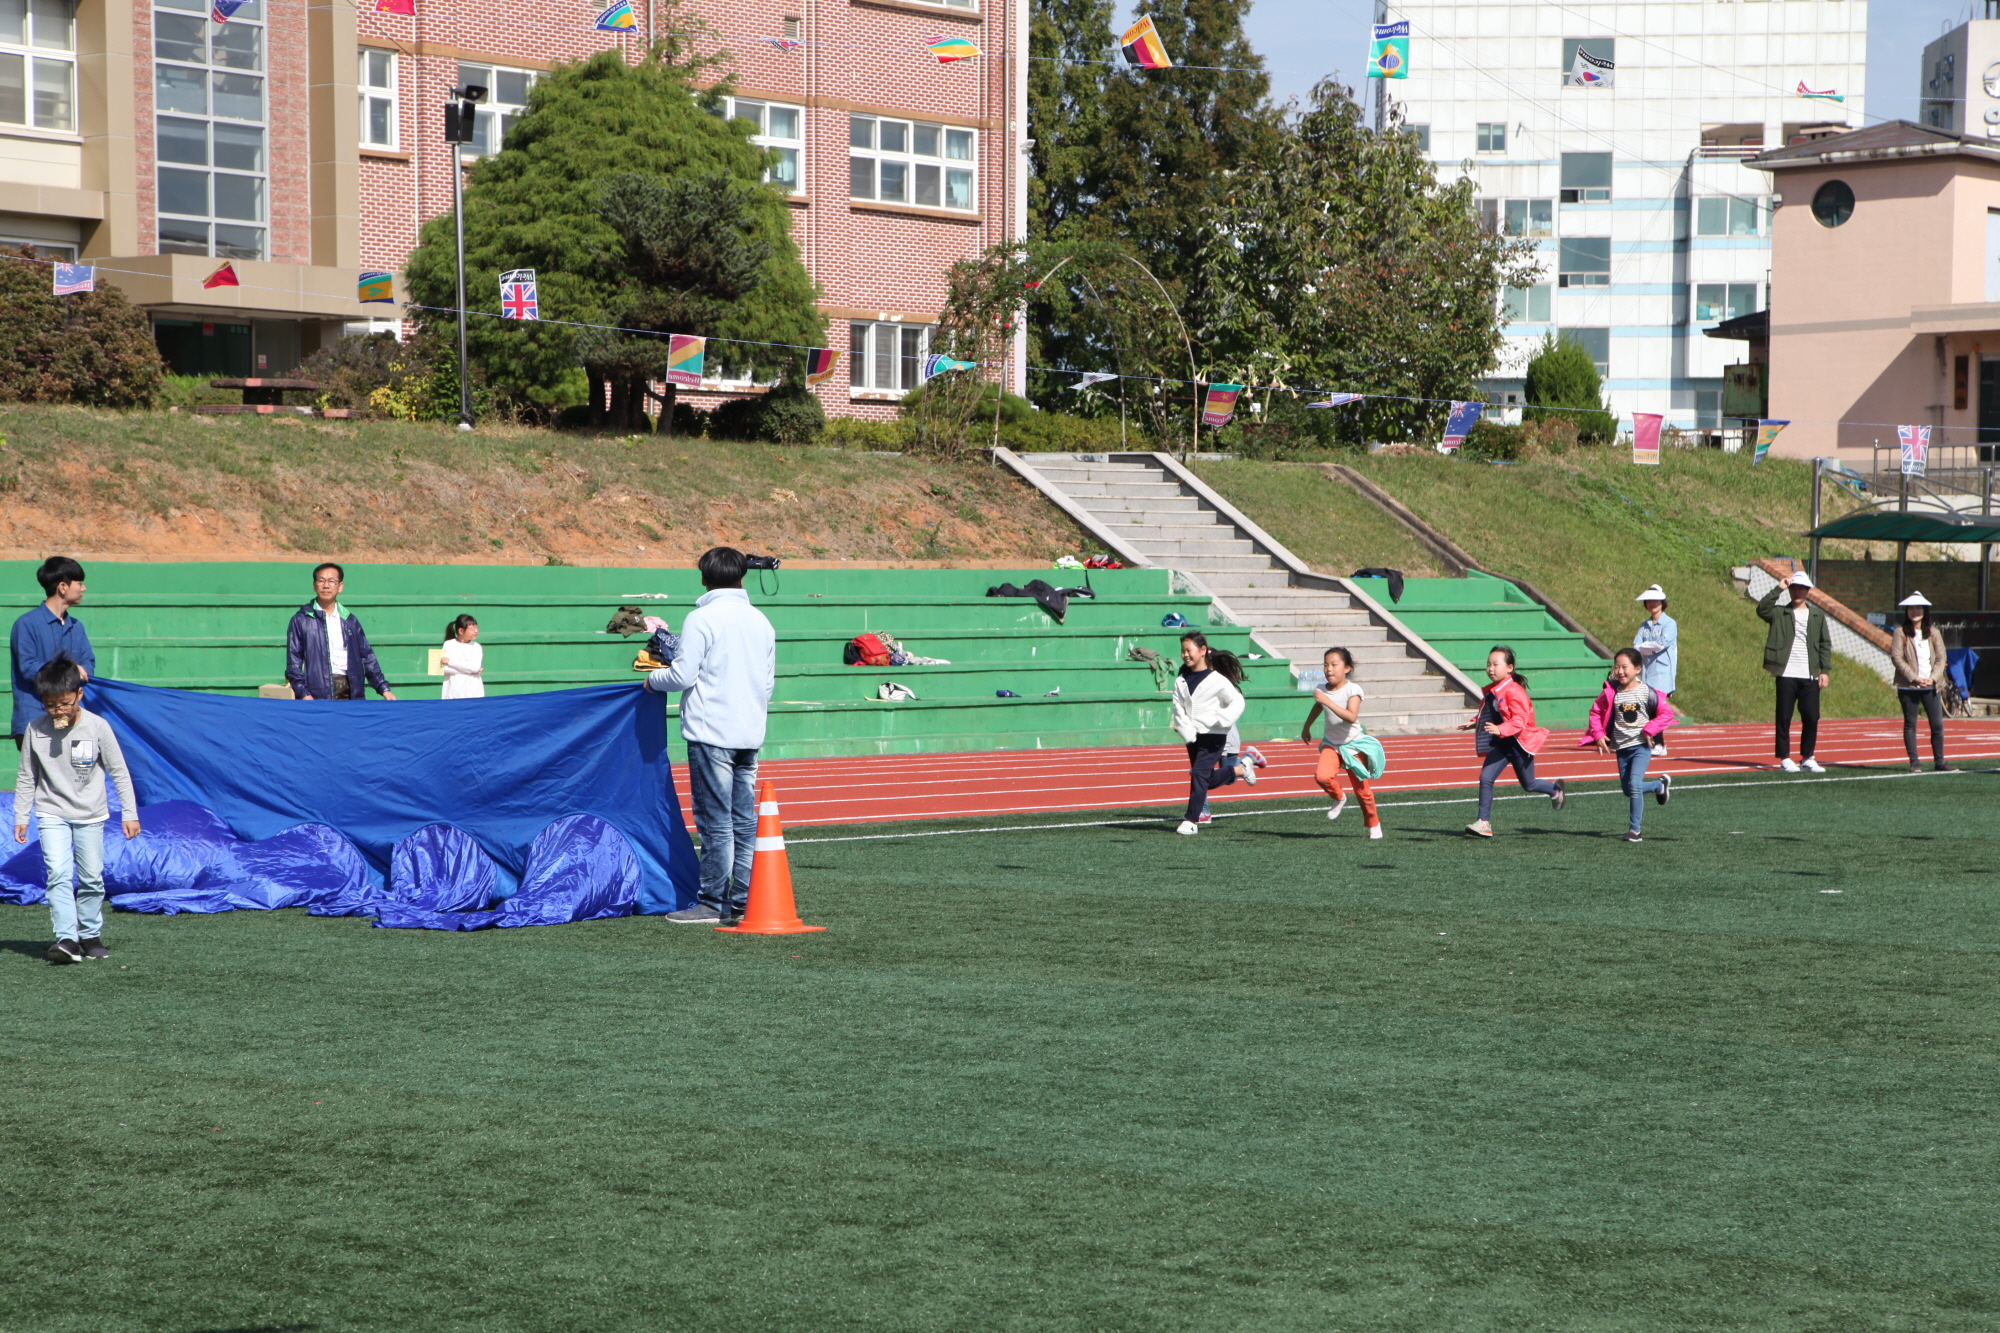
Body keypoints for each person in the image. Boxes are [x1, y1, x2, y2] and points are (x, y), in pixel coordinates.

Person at [645, 547, 777, 923]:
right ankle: (744, 898)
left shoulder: (701, 618)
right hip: (749, 731)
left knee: (715, 820)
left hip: (711, 731)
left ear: (704, 579)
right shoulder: (761, 621)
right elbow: (767, 684)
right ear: (742, 576)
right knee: (744, 821)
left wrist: (652, 680)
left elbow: (682, 675)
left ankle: (712, 902)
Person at [13, 657, 139, 965]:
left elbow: (119, 771)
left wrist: (130, 812)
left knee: (91, 877)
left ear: (79, 695)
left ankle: (90, 936)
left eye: (64, 704)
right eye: (49, 705)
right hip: (51, 811)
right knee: (57, 873)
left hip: (90, 814)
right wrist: (21, 815)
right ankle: (66, 938)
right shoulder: (35, 729)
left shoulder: (97, 727)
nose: (58, 711)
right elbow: (27, 775)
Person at [1459, 644, 1565, 838]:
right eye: (1488, 664)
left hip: (1520, 745)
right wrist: (1474, 722)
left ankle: (1555, 790)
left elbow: (1519, 721)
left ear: (1509, 667)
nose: (1490, 668)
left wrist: (1501, 729)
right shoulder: (1492, 690)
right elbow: (1491, 713)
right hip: (1501, 744)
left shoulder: (1515, 691)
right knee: (1485, 778)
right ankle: (1483, 823)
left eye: (1495, 664)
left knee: (1529, 785)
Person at [1581, 647, 1676, 843]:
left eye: (1624, 667)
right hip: (1621, 747)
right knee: (1628, 789)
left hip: (1641, 746)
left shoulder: (1647, 692)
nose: (1620, 671)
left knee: (1634, 785)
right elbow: (1595, 712)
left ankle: (1635, 830)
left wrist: (1649, 730)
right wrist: (1598, 734)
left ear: (1637, 669)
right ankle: (1659, 786)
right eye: (1616, 667)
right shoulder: (1611, 691)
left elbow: (1666, 714)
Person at [11, 556, 96, 744]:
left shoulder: (77, 627)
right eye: (79, 583)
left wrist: (80, 671)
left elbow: (88, 664)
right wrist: (70, 671)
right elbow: (28, 667)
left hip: (71, 722)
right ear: (63, 587)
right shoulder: (27, 624)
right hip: (34, 720)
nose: (83, 588)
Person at [1299, 647, 1383, 839]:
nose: (1329, 669)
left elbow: (1351, 716)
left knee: (1362, 791)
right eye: (1325, 664)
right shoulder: (1322, 689)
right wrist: (1307, 726)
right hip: (1331, 744)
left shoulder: (1353, 690)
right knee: (1322, 777)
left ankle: (1373, 824)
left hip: (1353, 746)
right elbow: (1317, 707)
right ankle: (1339, 797)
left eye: (1334, 664)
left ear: (1346, 668)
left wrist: (1327, 701)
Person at [1170, 630, 1245, 836]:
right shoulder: (1181, 680)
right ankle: (1239, 770)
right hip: (1192, 737)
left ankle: (1191, 820)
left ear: (1202, 650)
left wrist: (1223, 719)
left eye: (1189, 650)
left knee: (1198, 774)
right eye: (1183, 651)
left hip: (1214, 735)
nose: (1185, 654)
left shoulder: (1217, 680)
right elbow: (1178, 707)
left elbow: (1237, 701)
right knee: (1203, 777)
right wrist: (1184, 728)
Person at [286, 564, 397, 702]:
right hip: (317, 694)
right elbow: (294, 662)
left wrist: (384, 689)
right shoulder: (301, 620)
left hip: (351, 692)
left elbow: (367, 656)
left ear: (340, 586)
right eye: (321, 581)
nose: (326, 586)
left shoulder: (349, 620)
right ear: (314, 585)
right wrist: (304, 693)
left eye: (332, 581)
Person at [1756, 570, 1831, 773]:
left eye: (1801, 589)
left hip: (1809, 674)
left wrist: (1824, 670)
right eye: (1794, 588)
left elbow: (1824, 643)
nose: (1797, 592)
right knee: (1784, 717)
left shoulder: (1817, 615)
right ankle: (1785, 758)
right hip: (1786, 673)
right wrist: (1779, 588)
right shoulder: (1779, 613)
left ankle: (1807, 757)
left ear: (1807, 591)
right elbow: (1762, 609)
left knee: (1811, 717)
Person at [1890, 592, 1951, 773]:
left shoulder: (1934, 632)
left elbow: (1941, 657)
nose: (1915, 612)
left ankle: (1940, 761)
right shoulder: (1900, 632)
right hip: (1908, 686)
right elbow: (1897, 658)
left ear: (1925, 611)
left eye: (1918, 608)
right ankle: (1914, 762)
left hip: (1931, 686)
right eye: (1911, 608)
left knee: (1937, 724)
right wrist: (1914, 677)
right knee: (1910, 723)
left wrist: (1933, 678)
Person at [1631, 584, 1677, 757]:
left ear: (1662, 602)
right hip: (1648, 672)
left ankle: (1659, 744)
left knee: (1657, 709)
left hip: (1663, 673)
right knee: (1650, 709)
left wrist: (1646, 647)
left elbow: (1661, 645)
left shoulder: (1669, 623)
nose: (1652, 604)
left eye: (1655, 601)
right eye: (1649, 601)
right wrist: (1647, 647)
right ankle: (1656, 743)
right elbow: (1636, 646)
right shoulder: (1644, 625)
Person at [440, 614, 485, 699]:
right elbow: (445, 669)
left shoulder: (477, 647)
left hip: (473, 692)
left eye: (476, 627)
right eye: (472, 628)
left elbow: (475, 668)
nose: (476, 631)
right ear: (461, 631)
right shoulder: (449, 644)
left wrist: (450, 662)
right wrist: (470, 670)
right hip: (453, 692)